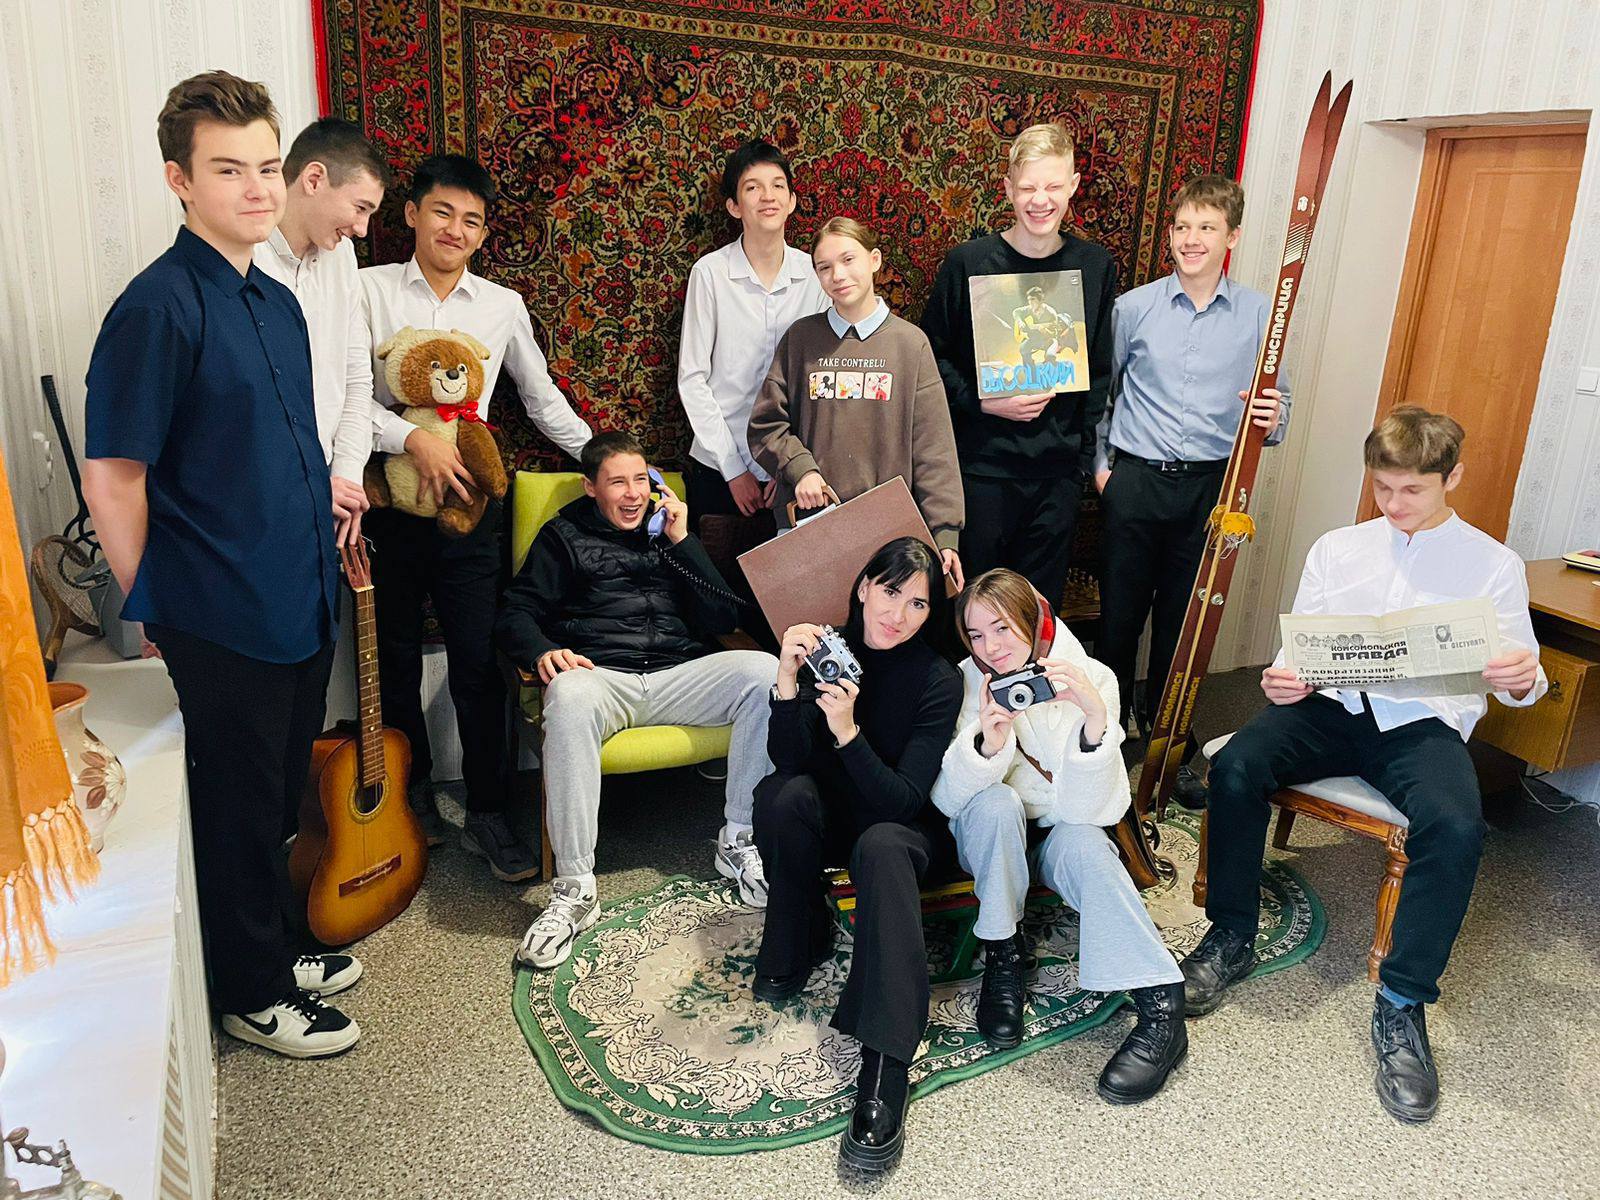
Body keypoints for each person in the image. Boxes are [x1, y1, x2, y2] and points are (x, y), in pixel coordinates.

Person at [82, 72, 359, 1058]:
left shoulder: (275, 300)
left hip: (299, 594)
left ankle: (274, 947)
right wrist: (156, 603)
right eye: (229, 169)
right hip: (221, 610)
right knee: (237, 808)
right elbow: (113, 476)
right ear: (180, 180)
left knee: (279, 798)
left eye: (268, 167)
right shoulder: (156, 308)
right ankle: (250, 992)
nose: (257, 188)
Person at [1179, 407, 1546, 1125]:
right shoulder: (1338, 548)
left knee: (1456, 825)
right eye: (1382, 488)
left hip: (1419, 726)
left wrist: (1521, 675)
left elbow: (1523, 681)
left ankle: (1403, 1001)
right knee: (1237, 765)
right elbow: (1299, 653)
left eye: (1412, 490)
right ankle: (1231, 934)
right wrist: (1283, 678)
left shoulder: (1493, 565)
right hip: (1330, 707)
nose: (1394, 504)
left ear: (1452, 478)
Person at [360, 155, 593, 875]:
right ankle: (413, 798)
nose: (455, 230)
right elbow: (341, 396)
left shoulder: (502, 305)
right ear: (411, 215)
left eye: (471, 221)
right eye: (442, 212)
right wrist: (411, 440)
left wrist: (605, 458)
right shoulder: (366, 290)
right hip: (390, 508)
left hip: (471, 508)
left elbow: (540, 397)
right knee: (393, 658)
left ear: (484, 233)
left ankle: (490, 812)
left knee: (477, 662)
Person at [496, 432, 778, 967]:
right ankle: (575, 888)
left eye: (641, 481)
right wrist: (542, 652)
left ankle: (739, 840)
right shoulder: (564, 536)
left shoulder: (667, 534)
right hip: (604, 677)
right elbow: (515, 612)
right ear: (590, 487)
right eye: (617, 483)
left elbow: (723, 616)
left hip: (677, 675)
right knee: (568, 693)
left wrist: (683, 541)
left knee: (764, 673)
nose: (632, 494)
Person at [930, 568, 1187, 1102]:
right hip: (990, 836)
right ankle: (1003, 952)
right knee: (997, 803)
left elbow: (1090, 811)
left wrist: (1094, 723)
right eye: (976, 634)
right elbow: (949, 801)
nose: (991, 648)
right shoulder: (965, 681)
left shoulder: (1090, 677)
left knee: (1088, 845)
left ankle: (1161, 1005)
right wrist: (987, 743)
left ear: (1032, 620)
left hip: (1056, 830)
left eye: (1002, 628)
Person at [752, 537, 962, 1174]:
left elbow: (903, 801)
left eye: (918, 604)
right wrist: (787, 681)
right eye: (891, 592)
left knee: (881, 841)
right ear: (865, 586)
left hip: (903, 832)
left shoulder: (939, 679)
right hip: (834, 818)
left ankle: (886, 1062)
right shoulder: (827, 651)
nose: (899, 614)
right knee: (781, 795)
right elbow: (788, 759)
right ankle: (801, 932)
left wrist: (847, 730)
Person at [1094, 175, 1289, 764]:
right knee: (1119, 620)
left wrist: (1274, 416)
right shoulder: (1133, 308)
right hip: (1135, 482)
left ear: (1232, 236)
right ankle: (1106, 737)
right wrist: (1103, 471)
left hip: (1212, 491)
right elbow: (1102, 395)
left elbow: (1277, 407)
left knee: (1184, 626)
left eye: (1207, 227)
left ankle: (1170, 744)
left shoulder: (1261, 314)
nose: (1191, 239)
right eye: (1182, 226)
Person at [920, 122, 1115, 606]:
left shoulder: (1095, 266)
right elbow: (930, 360)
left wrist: (1080, 460)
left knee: (1037, 609)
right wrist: (983, 402)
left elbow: (1099, 370)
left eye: (1053, 186)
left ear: (1073, 186)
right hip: (982, 470)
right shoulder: (969, 263)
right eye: (1028, 188)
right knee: (972, 606)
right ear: (1008, 188)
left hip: (1056, 478)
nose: (1040, 200)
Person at [748, 218, 965, 590]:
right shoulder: (801, 338)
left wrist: (944, 533)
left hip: (887, 531)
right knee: (812, 626)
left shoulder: (910, 344)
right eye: (824, 267)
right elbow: (766, 425)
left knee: (883, 624)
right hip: (810, 523)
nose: (838, 275)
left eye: (848, 260)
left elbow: (934, 448)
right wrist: (802, 470)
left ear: (874, 260)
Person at [251, 117, 389, 548]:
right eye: (360, 208)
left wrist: (346, 475)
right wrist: (306, 489)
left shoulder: (342, 257)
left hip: (329, 489)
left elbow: (355, 377)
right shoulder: (243, 257)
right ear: (314, 179)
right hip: (259, 496)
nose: (362, 229)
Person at [678, 139, 827, 531]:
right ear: (734, 206)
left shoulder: (815, 275)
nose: (768, 196)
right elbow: (692, 379)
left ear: (792, 201)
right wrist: (734, 469)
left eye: (778, 185)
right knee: (719, 566)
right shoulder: (710, 274)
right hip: (718, 467)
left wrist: (789, 464)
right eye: (752, 187)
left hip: (789, 469)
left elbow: (816, 382)